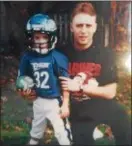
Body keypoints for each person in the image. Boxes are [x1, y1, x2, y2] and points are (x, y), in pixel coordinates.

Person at [59, 2, 131, 145]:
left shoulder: (105, 54)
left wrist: (81, 88)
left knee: (121, 115)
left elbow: (110, 92)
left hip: (99, 105)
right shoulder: (61, 54)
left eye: (88, 25)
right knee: (83, 139)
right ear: (71, 27)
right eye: (79, 25)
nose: (84, 31)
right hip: (75, 109)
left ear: (95, 27)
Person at [16, 13, 72, 145]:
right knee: (36, 128)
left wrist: (65, 104)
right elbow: (22, 79)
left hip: (54, 101)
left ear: (51, 37)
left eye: (44, 37)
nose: (40, 40)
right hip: (38, 100)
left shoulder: (58, 57)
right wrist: (24, 92)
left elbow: (65, 82)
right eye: (36, 37)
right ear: (31, 37)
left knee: (61, 131)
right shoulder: (27, 57)